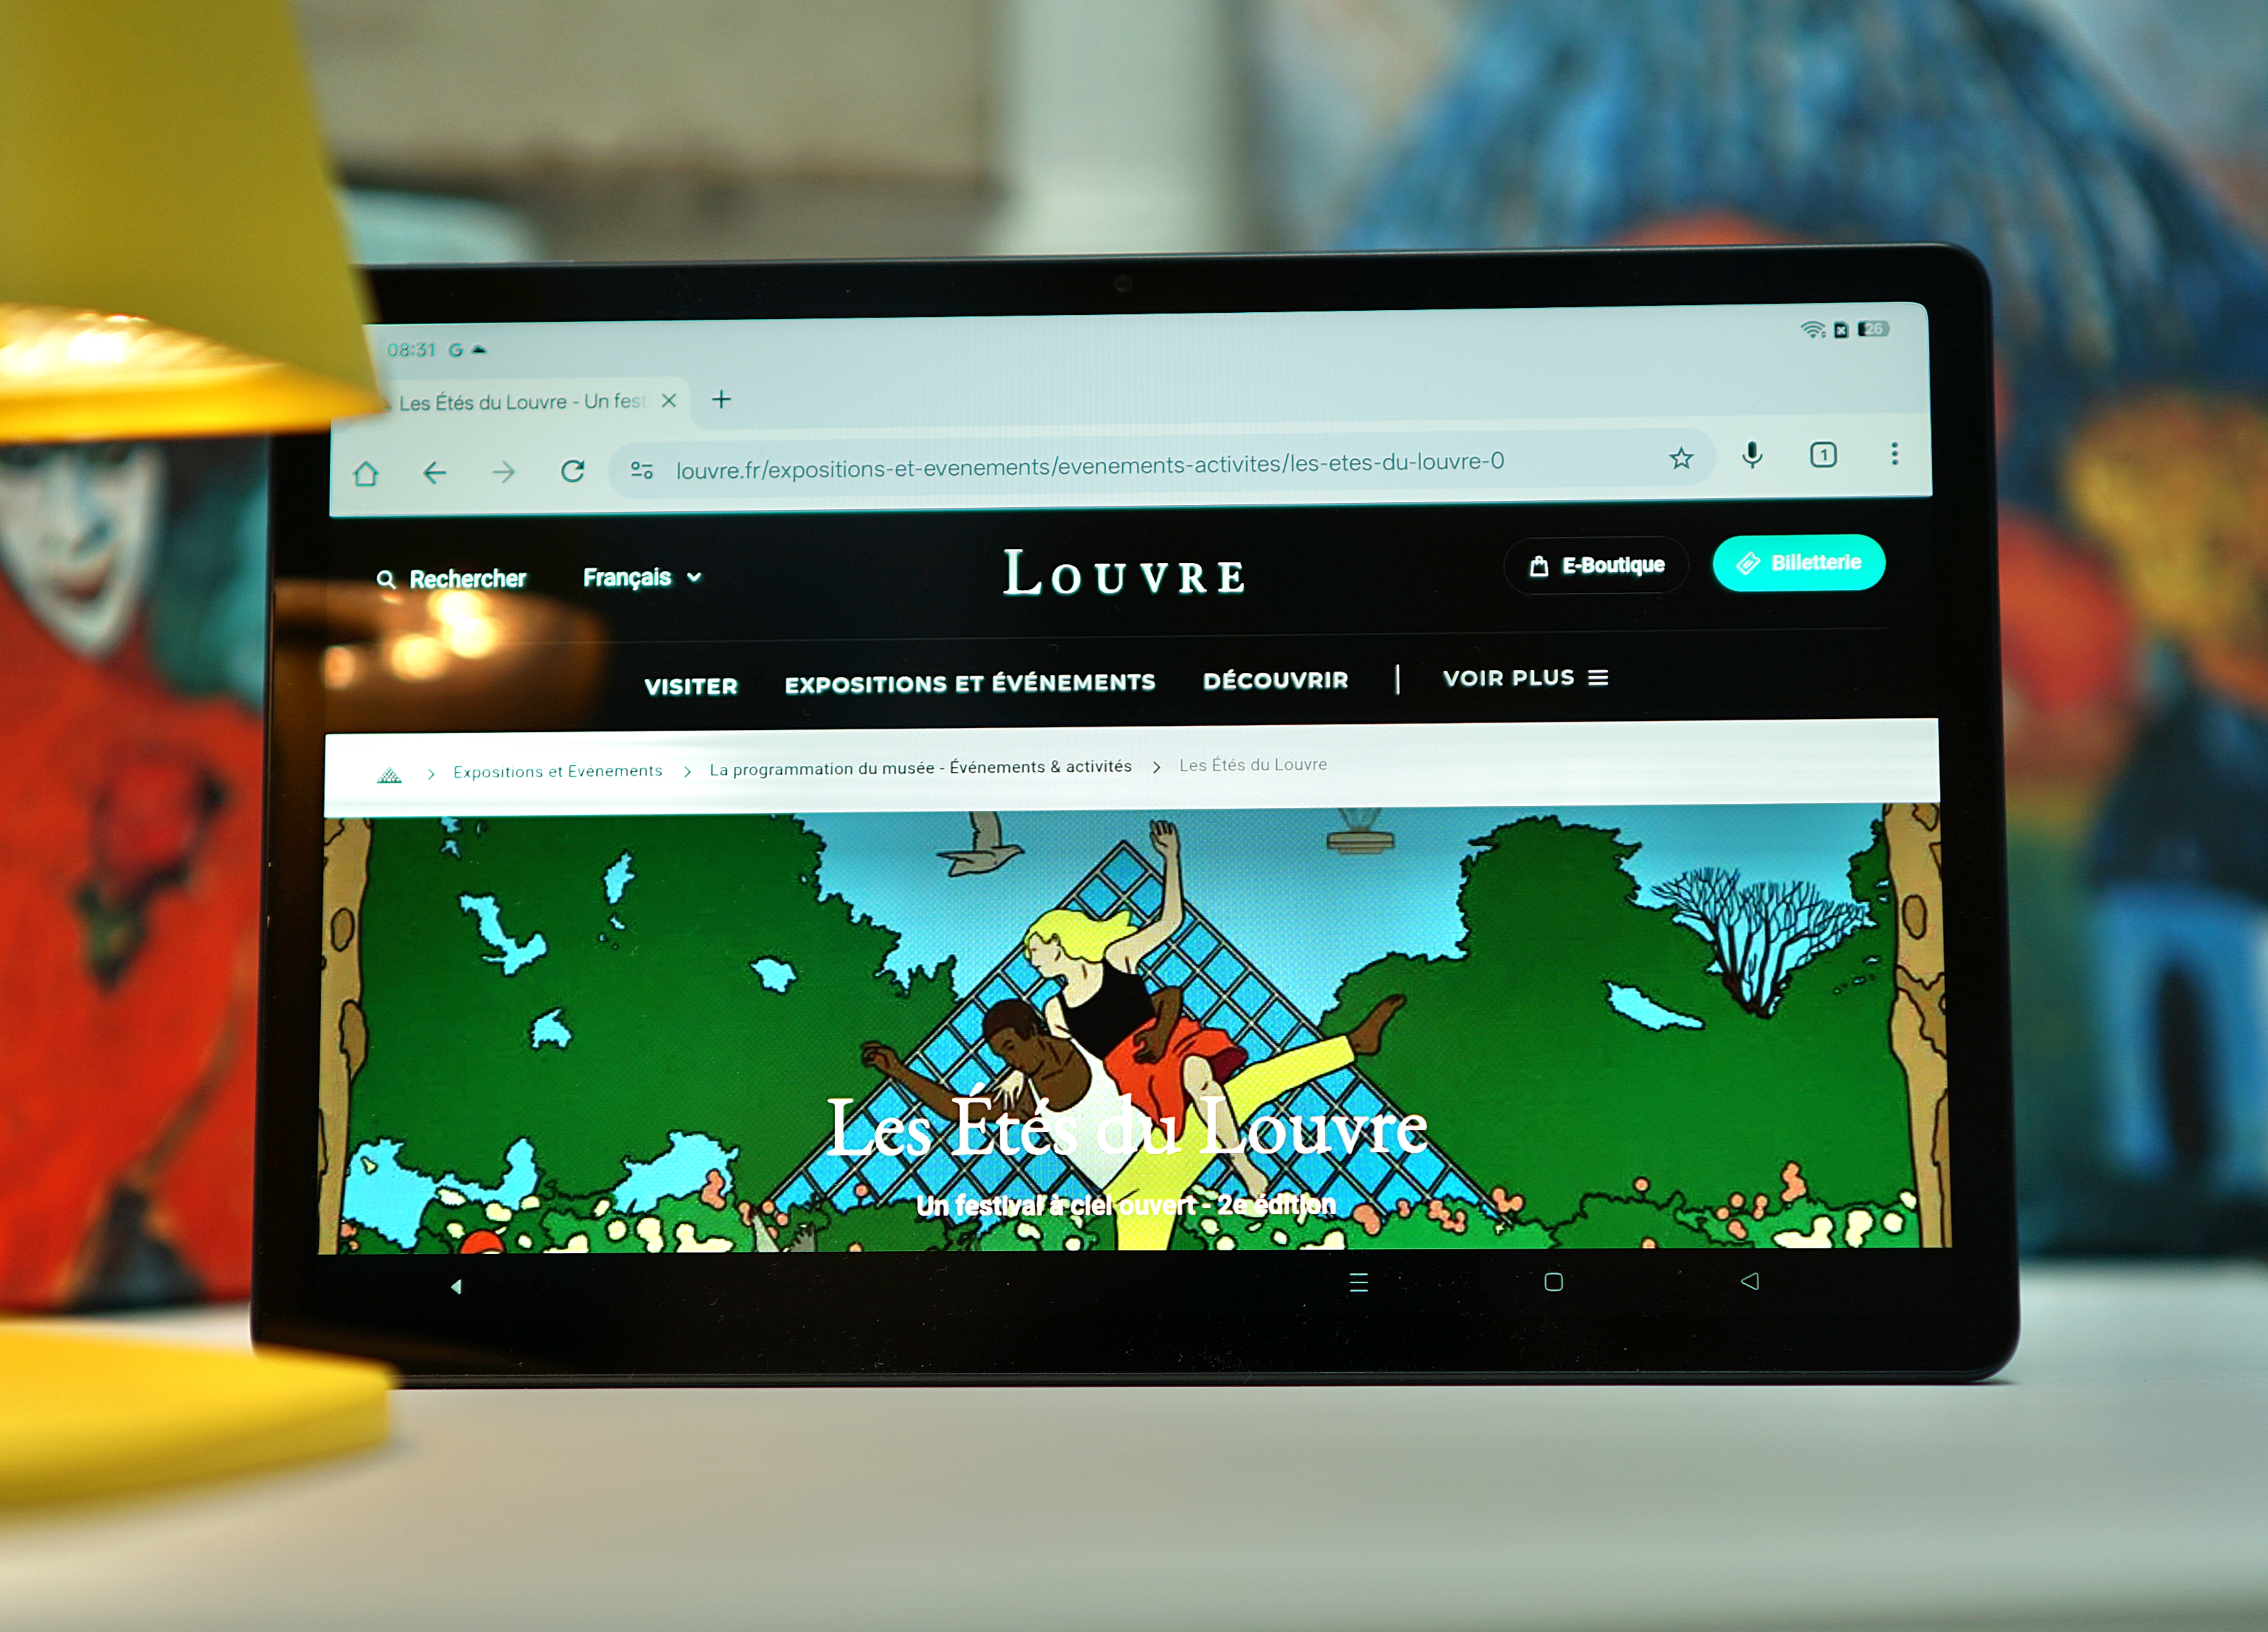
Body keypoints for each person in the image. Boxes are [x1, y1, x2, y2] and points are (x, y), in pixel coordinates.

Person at [859, 991, 1405, 1251]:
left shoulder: (1081, 1039)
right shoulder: (1022, 1094)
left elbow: (1155, 1004)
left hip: (1167, 1147)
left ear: (1033, 1032)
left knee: (1254, 1083)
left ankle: (1353, 1044)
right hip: (1131, 1193)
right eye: (1001, 1053)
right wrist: (899, 1071)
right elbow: (958, 1110)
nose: (1009, 1059)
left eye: (1010, 1047)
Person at [1021, 819, 1269, 1197]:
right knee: (1184, 1094)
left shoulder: (1116, 956)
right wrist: (1019, 1075)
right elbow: (1063, 1059)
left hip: (1168, 1039)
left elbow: (1171, 921)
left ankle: (1242, 1164)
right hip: (1130, 1070)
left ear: (1058, 941)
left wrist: (1172, 858)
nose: (1032, 959)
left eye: (1035, 949)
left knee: (1198, 1072)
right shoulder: (1055, 1009)